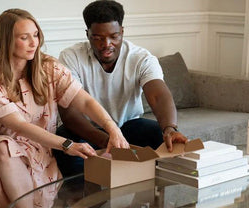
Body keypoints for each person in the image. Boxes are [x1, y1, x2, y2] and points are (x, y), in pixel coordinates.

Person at [0, 9, 128, 208]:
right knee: (5, 148)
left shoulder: (49, 68)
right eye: (24, 37)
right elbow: (18, 126)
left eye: (35, 35)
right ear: (6, 40)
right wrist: (68, 145)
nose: (34, 43)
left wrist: (113, 129)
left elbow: (85, 102)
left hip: (37, 145)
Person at [56, 0, 188, 176]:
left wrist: (170, 128)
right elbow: (69, 114)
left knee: (163, 138)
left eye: (114, 36)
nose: (107, 44)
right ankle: (81, 197)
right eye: (98, 38)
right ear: (87, 34)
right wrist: (107, 140)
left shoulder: (141, 58)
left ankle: (152, 196)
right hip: (87, 130)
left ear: (122, 32)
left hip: (128, 125)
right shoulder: (70, 57)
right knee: (65, 144)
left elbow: (158, 95)